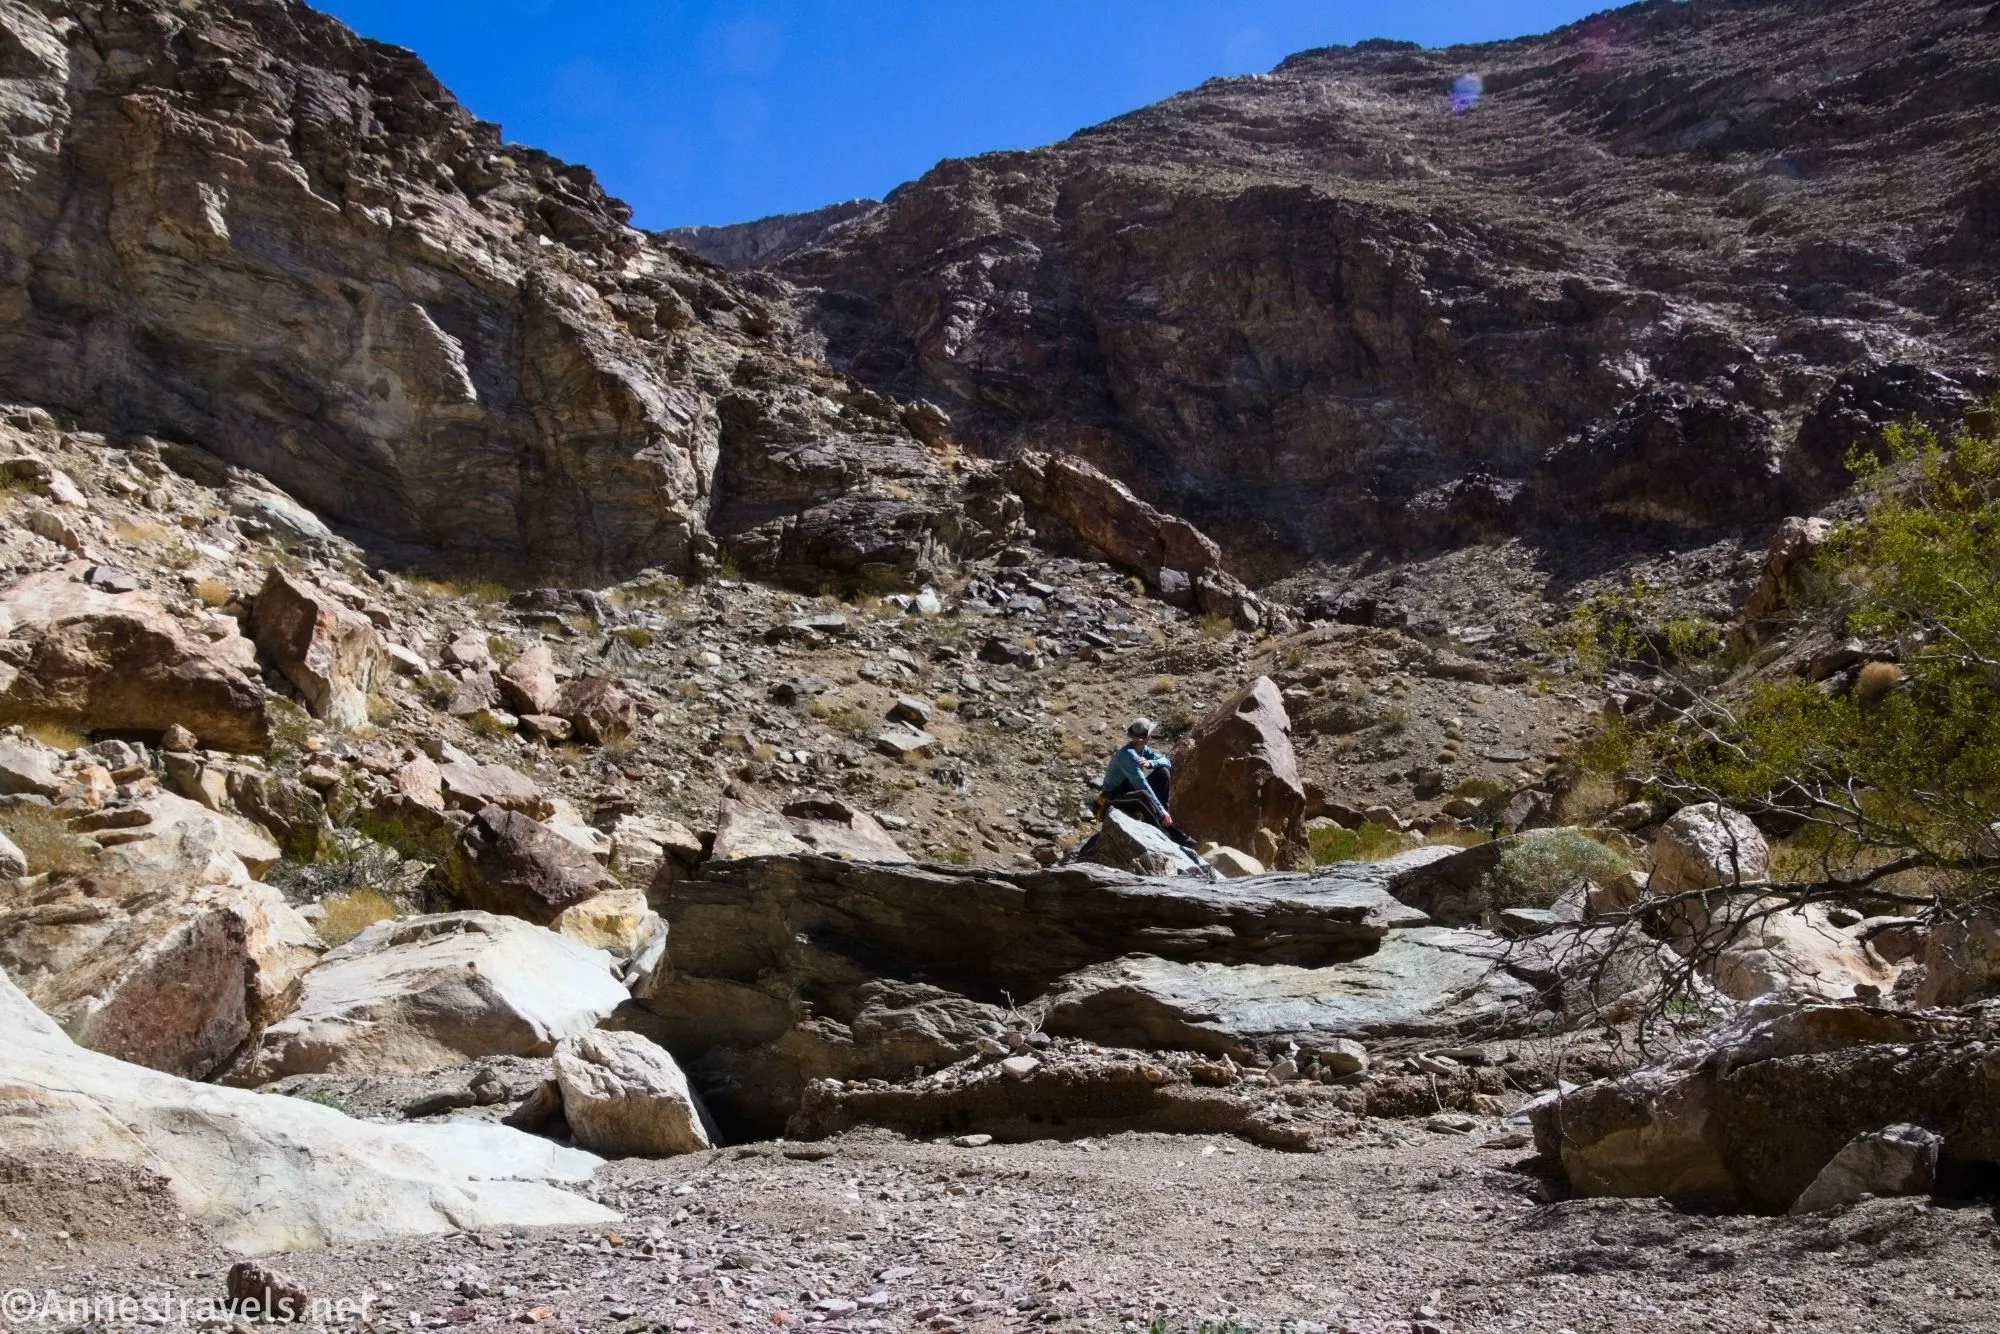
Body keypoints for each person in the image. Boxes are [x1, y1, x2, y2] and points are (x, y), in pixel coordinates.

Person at [1098, 718, 1198, 848]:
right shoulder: (1128, 755)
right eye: (1149, 733)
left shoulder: (1143, 749)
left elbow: (1166, 762)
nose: (1151, 735)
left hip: (1126, 791)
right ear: (1142, 738)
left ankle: (1164, 821)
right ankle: (1166, 834)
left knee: (1163, 772)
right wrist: (1161, 810)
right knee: (1142, 796)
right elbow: (1142, 784)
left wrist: (1151, 763)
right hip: (1110, 798)